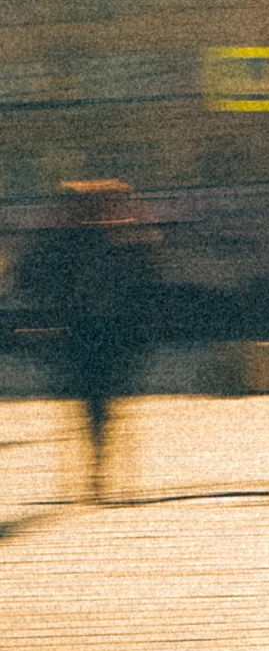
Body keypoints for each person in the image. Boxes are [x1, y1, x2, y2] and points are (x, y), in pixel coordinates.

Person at [13, 178, 167, 504]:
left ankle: (97, 467)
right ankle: (98, 467)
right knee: (98, 403)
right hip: (92, 332)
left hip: (97, 332)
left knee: (96, 403)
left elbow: (31, 277)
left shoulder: (78, 240)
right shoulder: (89, 240)